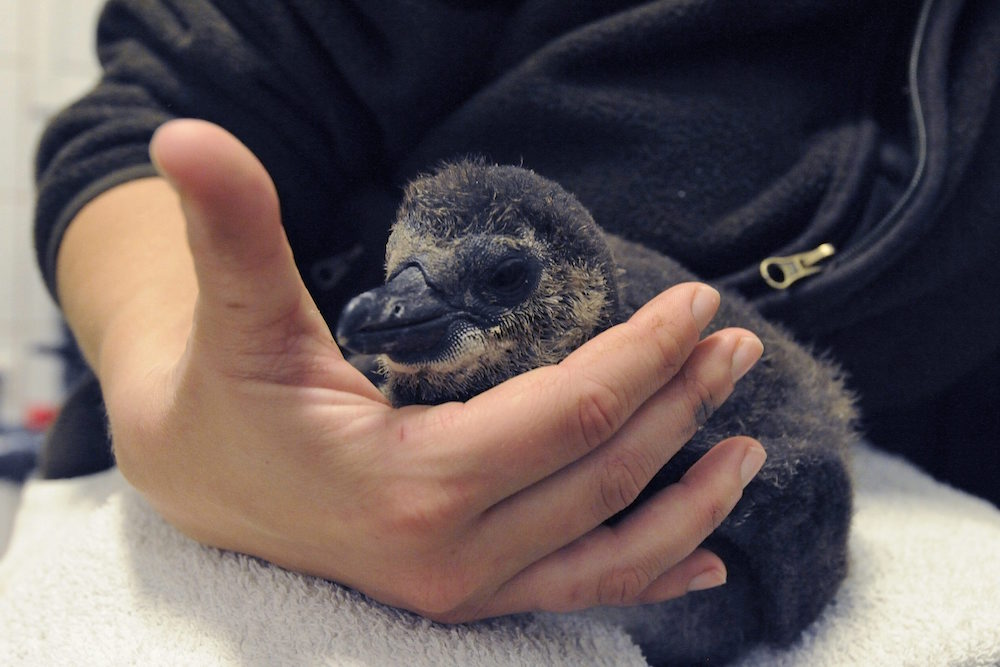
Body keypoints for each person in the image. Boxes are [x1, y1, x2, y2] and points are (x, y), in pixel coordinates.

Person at [33, 0, 999, 623]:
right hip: (271, 426)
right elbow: (147, 119)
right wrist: (176, 394)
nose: (394, 305)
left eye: (497, 283)